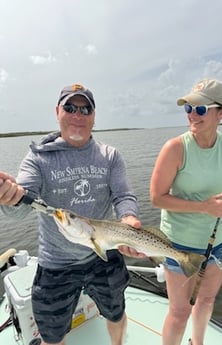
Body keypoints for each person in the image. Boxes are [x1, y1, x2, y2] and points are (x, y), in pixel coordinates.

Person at [0, 83, 144, 345]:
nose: (78, 114)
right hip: (56, 263)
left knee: (117, 313)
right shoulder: (38, 158)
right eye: (70, 107)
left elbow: (123, 196)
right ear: (57, 111)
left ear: (94, 116)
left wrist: (128, 219)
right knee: (52, 336)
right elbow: (19, 211)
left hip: (104, 253)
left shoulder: (109, 156)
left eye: (85, 109)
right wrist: (9, 197)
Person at [150, 78, 222, 345]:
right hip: (179, 246)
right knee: (179, 312)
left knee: (207, 300)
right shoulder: (175, 148)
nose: (192, 115)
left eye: (200, 109)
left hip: (218, 244)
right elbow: (156, 198)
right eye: (188, 108)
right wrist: (203, 208)